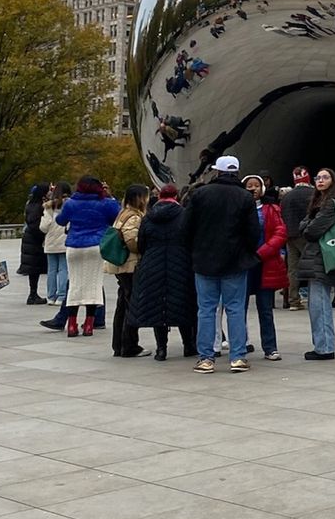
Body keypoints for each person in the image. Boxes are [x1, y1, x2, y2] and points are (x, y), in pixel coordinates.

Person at [180, 155, 259, 373]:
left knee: (206, 309)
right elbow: (253, 232)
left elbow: (186, 227)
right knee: (235, 308)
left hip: (204, 260)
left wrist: (194, 251)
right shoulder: (245, 197)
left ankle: (206, 357)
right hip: (235, 261)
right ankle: (238, 357)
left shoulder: (201, 194)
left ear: (217, 172)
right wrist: (246, 252)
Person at [131, 184, 197, 359]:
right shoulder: (184, 215)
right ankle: (188, 345)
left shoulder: (148, 217)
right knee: (183, 304)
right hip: (181, 262)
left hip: (153, 264)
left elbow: (141, 244)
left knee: (157, 306)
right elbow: (191, 239)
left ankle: (161, 349)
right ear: (176, 197)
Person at [56, 176, 120, 337]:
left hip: (74, 246)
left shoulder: (70, 203)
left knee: (75, 285)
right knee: (93, 285)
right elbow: (117, 216)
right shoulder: (105, 203)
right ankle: (89, 325)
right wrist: (109, 195)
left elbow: (60, 221)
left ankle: (71, 324)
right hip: (95, 246)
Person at [296, 167, 335, 360]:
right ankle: (323, 344)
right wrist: (308, 224)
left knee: (319, 303)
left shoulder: (330, 203)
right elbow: (305, 225)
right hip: (321, 255)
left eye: (325, 177)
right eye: (318, 177)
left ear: (333, 181)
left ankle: (324, 346)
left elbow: (311, 231)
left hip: (322, 256)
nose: (320, 180)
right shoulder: (321, 202)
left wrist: (308, 224)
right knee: (318, 302)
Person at [243, 175, 285, 359]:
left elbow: (280, 232)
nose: (253, 189)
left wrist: (264, 251)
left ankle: (270, 347)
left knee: (265, 309)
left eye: (256, 185)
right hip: (243, 264)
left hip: (264, 263)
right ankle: (240, 343)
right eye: (249, 186)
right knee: (238, 308)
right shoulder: (238, 208)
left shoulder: (272, 208)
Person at [106, 184, 150, 356]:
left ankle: (120, 344)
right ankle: (129, 345)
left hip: (121, 265)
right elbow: (131, 240)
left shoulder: (122, 213)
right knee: (132, 304)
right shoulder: (133, 216)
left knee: (123, 304)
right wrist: (143, 248)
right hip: (129, 265)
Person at [279, 166, 314, 310]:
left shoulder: (287, 196)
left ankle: (293, 300)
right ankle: (314, 299)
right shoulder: (313, 193)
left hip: (290, 235)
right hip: (307, 235)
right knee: (312, 266)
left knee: (292, 269)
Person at [40, 182, 71, 308]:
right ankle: (61, 296)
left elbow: (43, 227)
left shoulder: (49, 207)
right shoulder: (70, 205)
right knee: (63, 269)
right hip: (65, 241)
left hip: (51, 242)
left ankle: (50, 296)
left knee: (51, 270)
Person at [20, 183, 49, 304]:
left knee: (33, 268)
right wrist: (42, 236)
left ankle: (33, 293)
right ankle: (32, 294)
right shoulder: (38, 207)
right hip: (34, 240)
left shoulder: (30, 205)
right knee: (34, 268)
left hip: (29, 239)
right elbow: (36, 225)